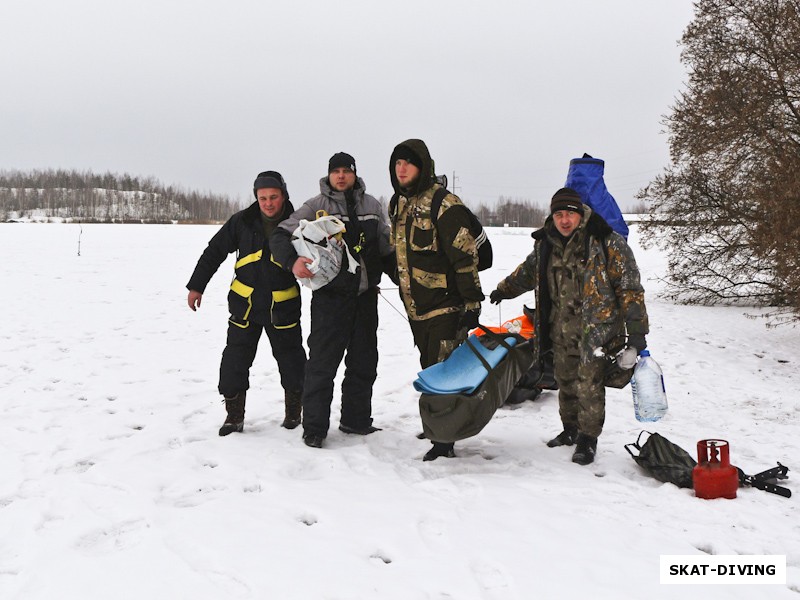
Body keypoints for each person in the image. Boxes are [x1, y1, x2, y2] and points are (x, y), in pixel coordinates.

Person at [489, 187, 649, 465]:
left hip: (597, 331)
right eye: (559, 214)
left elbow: (630, 289)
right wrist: (503, 290)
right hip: (560, 328)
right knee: (565, 381)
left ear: (581, 214)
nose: (564, 220)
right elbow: (527, 273)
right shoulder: (546, 244)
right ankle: (570, 429)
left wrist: (637, 335)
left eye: (570, 214)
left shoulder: (606, 243)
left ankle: (588, 439)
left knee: (589, 385)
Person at [270, 152, 394, 449]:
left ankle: (356, 420)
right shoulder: (315, 206)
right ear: (329, 175)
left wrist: (405, 282)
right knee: (322, 366)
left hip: (365, 299)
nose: (341, 176)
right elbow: (279, 235)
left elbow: (385, 249)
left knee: (364, 363)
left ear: (354, 174)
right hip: (330, 301)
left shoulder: (373, 206)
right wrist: (292, 263)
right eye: (336, 171)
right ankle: (314, 429)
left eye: (346, 171)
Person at [186, 171, 306, 436]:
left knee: (293, 362)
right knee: (234, 362)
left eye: (273, 197)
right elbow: (214, 252)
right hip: (245, 307)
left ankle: (293, 413)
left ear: (283, 196)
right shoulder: (242, 221)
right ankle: (233, 416)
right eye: (263, 198)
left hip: (282, 308)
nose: (268, 203)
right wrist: (197, 285)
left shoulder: (298, 224)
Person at [388, 139, 484, 461]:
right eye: (397, 163)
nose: (402, 169)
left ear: (423, 167)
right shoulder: (397, 204)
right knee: (429, 368)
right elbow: (400, 255)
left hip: (446, 305)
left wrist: (471, 304)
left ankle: (444, 442)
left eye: (408, 163)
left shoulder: (444, 204)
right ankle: (436, 425)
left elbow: (465, 258)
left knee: (444, 372)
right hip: (417, 308)